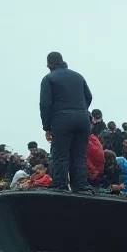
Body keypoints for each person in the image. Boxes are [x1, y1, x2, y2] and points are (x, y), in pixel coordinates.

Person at [39, 51, 92, 192]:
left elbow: (45, 104)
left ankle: (60, 186)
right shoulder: (78, 76)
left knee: (60, 154)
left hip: (62, 119)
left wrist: (47, 127)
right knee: (79, 155)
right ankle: (81, 187)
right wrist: (81, 110)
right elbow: (89, 96)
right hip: (83, 119)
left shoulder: (48, 78)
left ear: (50, 64)